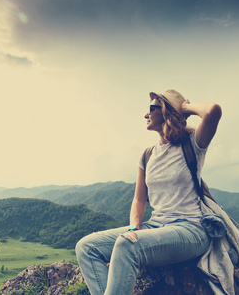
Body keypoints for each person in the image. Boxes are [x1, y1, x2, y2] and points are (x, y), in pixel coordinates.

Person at [75, 89, 222, 295]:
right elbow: (139, 199)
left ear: (166, 111)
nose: (146, 114)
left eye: (152, 108)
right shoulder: (148, 154)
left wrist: (185, 108)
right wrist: (135, 226)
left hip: (190, 229)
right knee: (86, 247)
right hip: (155, 225)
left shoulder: (192, 144)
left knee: (127, 245)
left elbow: (213, 111)